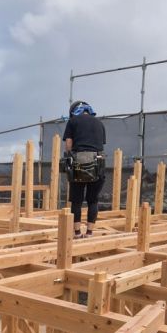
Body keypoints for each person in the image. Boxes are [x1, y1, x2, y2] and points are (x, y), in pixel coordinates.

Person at [62, 100, 106, 237]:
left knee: (77, 199)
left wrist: (69, 157)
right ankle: (89, 232)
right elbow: (100, 145)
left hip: (79, 160)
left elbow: (69, 144)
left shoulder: (73, 121)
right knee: (93, 200)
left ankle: (76, 232)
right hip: (98, 161)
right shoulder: (100, 123)